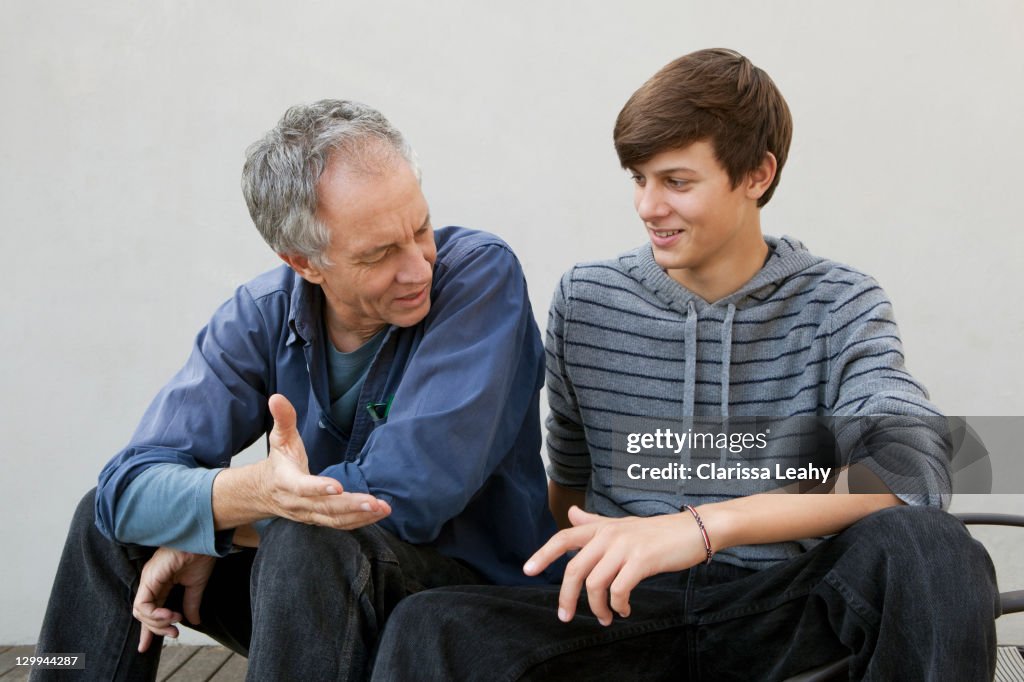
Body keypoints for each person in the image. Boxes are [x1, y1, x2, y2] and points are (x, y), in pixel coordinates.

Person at [371, 49, 1001, 680]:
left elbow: (914, 466)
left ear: (756, 175)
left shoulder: (839, 303)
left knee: (935, 549)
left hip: (783, 607)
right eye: (638, 179)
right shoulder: (586, 299)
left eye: (676, 182)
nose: (648, 206)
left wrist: (701, 527)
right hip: (626, 615)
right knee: (430, 625)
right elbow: (569, 484)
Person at [33, 100, 557, 681]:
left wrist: (217, 528)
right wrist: (252, 493)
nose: (418, 268)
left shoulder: (480, 277)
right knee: (105, 528)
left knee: (306, 539)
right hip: (309, 598)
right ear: (304, 261)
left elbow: (402, 494)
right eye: (380, 253)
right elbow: (125, 491)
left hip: (462, 607)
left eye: (421, 228)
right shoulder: (259, 315)